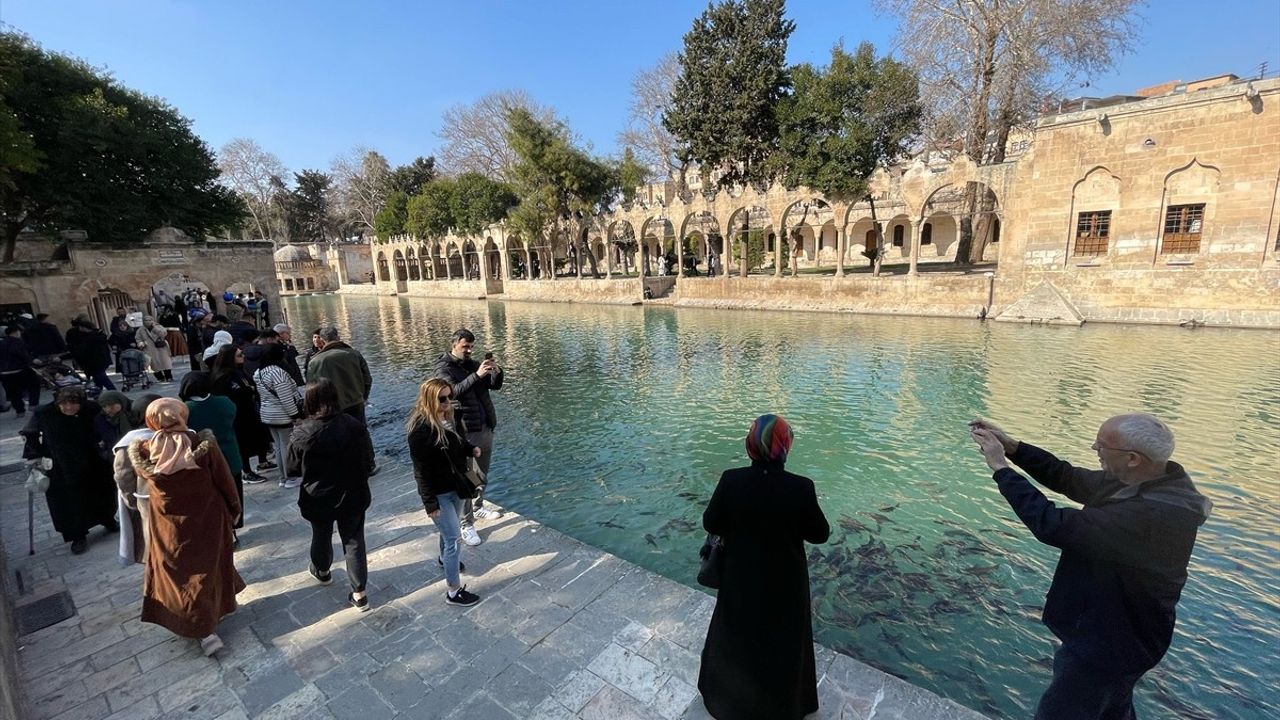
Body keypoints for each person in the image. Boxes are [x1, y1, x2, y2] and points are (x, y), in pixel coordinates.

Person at [969, 416, 1211, 720]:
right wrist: (1013, 447)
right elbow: (1066, 476)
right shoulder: (1146, 483)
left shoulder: (1149, 515)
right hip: (1128, 637)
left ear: (1133, 458)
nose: (1094, 447)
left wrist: (1001, 468)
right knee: (1111, 709)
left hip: (1109, 642)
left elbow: (1052, 525)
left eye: (1102, 444)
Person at [698, 414, 830, 720]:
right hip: (786, 583)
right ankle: (784, 706)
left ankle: (730, 702)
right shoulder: (801, 488)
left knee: (736, 637)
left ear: (750, 445)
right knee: (783, 644)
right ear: (786, 445)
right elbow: (819, 534)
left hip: (740, 578)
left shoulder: (732, 480)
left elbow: (711, 522)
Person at [128, 398, 244, 656]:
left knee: (178, 573)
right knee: (208, 567)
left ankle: (194, 616)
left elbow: (134, 487)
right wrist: (234, 508)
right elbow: (224, 479)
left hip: (167, 525)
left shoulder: (143, 451)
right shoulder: (201, 444)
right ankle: (205, 628)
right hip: (207, 518)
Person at [288, 379, 375, 611]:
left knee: (321, 534)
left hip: (318, 496)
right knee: (354, 540)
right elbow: (368, 460)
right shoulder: (354, 425)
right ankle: (360, 594)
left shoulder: (301, 432)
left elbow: (292, 468)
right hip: (352, 493)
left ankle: (323, 571)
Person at [407, 378, 482, 607]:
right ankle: (453, 591)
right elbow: (421, 471)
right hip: (439, 492)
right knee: (453, 539)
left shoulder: (450, 418)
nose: (448, 402)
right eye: (442, 398)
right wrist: (429, 503)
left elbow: (458, 444)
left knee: (449, 533)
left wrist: (471, 449)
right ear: (429, 399)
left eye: (450, 397)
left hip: (457, 487)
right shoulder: (420, 431)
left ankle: (443, 559)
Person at [20, 386, 120, 555]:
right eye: (64, 404)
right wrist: (35, 455)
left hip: (92, 460)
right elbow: (30, 433)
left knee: (102, 491)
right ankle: (77, 535)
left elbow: (108, 421)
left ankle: (107, 519)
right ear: (57, 402)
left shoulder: (91, 408)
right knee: (68, 501)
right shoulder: (44, 413)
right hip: (61, 464)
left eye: (74, 403)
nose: (69, 407)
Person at [433, 328, 504, 547]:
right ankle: (466, 523)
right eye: (465, 346)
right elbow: (451, 392)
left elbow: (495, 385)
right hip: (464, 431)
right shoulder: (443, 367)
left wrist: (496, 371)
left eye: (472, 346)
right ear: (454, 344)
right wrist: (477, 376)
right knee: (466, 477)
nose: (469, 350)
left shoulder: (474, 365)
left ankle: (479, 505)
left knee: (481, 473)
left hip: (484, 426)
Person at [181, 372, 244, 537]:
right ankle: (234, 526)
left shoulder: (184, 410)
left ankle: (219, 531)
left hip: (203, 461)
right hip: (230, 455)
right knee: (233, 493)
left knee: (212, 498)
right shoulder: (225, 402)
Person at [112, 393, 163, 567]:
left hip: (146, 499)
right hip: (168, 499)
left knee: (153, 539)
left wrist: (131, 501)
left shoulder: (128, 443)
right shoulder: (180, 435)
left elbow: (123, 475)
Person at [209, 345, 271, 485]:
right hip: (237, 415)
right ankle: (246, 472)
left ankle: (262, 461)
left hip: (249, 411)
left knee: (256, 437)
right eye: (239, 355)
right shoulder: (223, 377)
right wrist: (248, 390)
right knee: (242, 443)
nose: (243, 357)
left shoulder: (238, 372)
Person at [253, 343, 303, 489]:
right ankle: (290, 477)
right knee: (287, 446)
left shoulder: (259, 372)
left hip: (267, 414)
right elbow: (286, 398)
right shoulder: (278, 373)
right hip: (281, 414)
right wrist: (296, 415)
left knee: (279, 447)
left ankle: (283, 477)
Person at [307, 327, 373, 425]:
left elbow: (311, 387)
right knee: (360, 433)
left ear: (323, 340)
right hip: (355, 402)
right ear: (337, 337)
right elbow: (367, 379)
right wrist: (363, 396)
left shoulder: (315, 361)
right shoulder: (354, 354)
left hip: (331, 407)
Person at [65, 315, 116, 390]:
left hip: (95, 361)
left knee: (100, 377)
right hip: (100, 360)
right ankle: (99, 392)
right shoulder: (98, 334)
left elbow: (80, 350)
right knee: (98, 378)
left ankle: (112, 391)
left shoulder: (90, 338)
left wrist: (63, 357)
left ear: (84, 328)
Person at [0, 323, 41, 416]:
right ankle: (33, 404)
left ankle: (20, 411)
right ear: (16, 332)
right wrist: (32, 360)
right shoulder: (17, 342)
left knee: (13, 392)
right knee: (34, 383)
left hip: (4, 373)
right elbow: (20, 353)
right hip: (18, 370)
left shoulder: (1, 343)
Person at [93, 390, 134, 458]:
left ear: (120, 402)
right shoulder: (101, 419)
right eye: (104, 407)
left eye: (111, 405)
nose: (108, 409)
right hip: (116, 454)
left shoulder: (134, 412)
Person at [135, 315, 174, 383]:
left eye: (149, 320)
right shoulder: (140, 330)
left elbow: (164, 334)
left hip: (161, 347)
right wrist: (141, 343)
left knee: (165, 363)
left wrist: (154, 328)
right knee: (154, 365)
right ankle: (160, 378)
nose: (148, 322)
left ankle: (169, 377)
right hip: (149, 348)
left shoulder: (158, 326)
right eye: (146, 320)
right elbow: (138, 339)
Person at [108, 307, 133, 372]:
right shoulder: (115, 320)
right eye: (119, 312)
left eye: (122, 311)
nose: (121, 313)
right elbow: (112, 330)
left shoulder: (130, 318)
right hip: (120, 347)